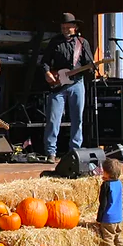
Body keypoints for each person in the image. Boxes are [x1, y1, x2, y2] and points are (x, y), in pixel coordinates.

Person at [41, 13, 94, 164]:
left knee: (77, 119)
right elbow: (44, 62)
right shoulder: (54, 42)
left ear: (75, 27)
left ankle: (74, 151)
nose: (65, 29)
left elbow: (88, 63)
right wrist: (47, 73)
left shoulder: (82, 43)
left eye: (68, 27)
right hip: (58, 85)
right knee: (53, 119)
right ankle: (51, 152)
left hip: (77, 83)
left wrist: (90, 67)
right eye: (63, 27)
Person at [96, 158, 123, 246]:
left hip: (108, 218)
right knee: (118, 236)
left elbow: (103, 203)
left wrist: (99, 218)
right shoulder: (119, 183)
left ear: (107, 173)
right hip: (118, 217)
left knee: (108, 238)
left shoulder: (106, 185)